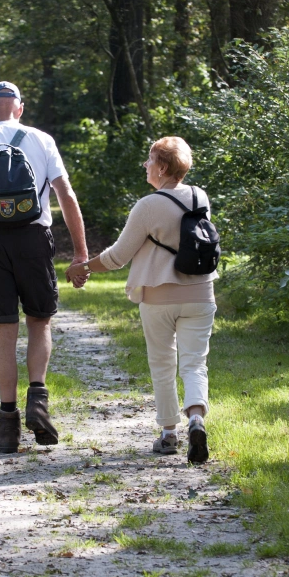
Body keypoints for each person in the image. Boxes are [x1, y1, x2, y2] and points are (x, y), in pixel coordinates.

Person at [0, 81, 89, 453]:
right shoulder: (42, 140)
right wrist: (80, 252)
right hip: (33, 239)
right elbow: (66, 196)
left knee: (3, 330)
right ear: (20, 109)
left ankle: (7, 426)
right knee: (39, 320)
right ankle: (38, 402)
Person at [66, 136, 217, 464]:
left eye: (149, 160)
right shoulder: (199, 196)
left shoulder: (148, 205)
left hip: (159, 296)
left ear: (162, 167)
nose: (145, 166)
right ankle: (196, 420)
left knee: (163, 363)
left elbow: (118, 256)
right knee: (194, 363)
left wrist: (82, 267)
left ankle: (168, 434)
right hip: (201, 293)